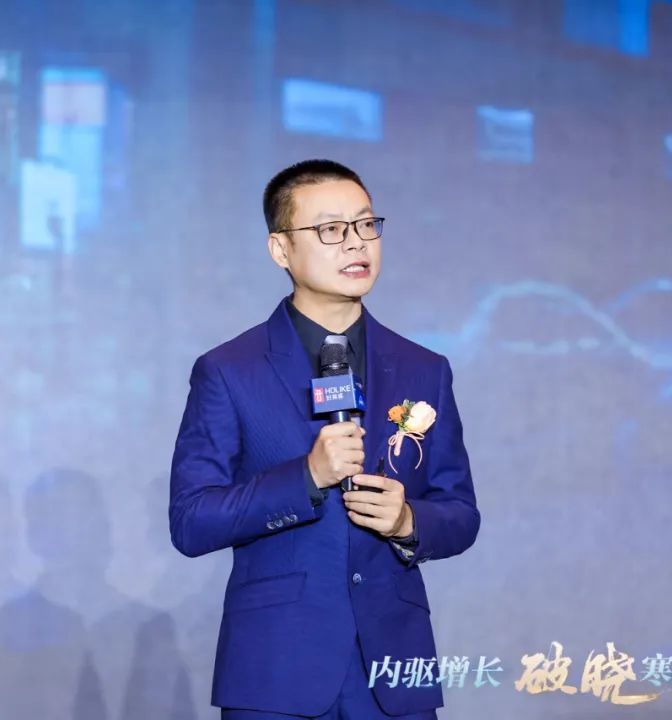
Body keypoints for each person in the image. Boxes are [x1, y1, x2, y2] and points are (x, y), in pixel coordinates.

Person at [169, 159, 480, 719]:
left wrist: (407, 522)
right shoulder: (229, 370)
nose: (356, 243)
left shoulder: (424, 368)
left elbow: (460, 513)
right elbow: (191, 521)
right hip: (277, 673)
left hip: (393, 673)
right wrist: (306, 478)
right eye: (331, 229)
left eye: (366, 225)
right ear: (280, 249)